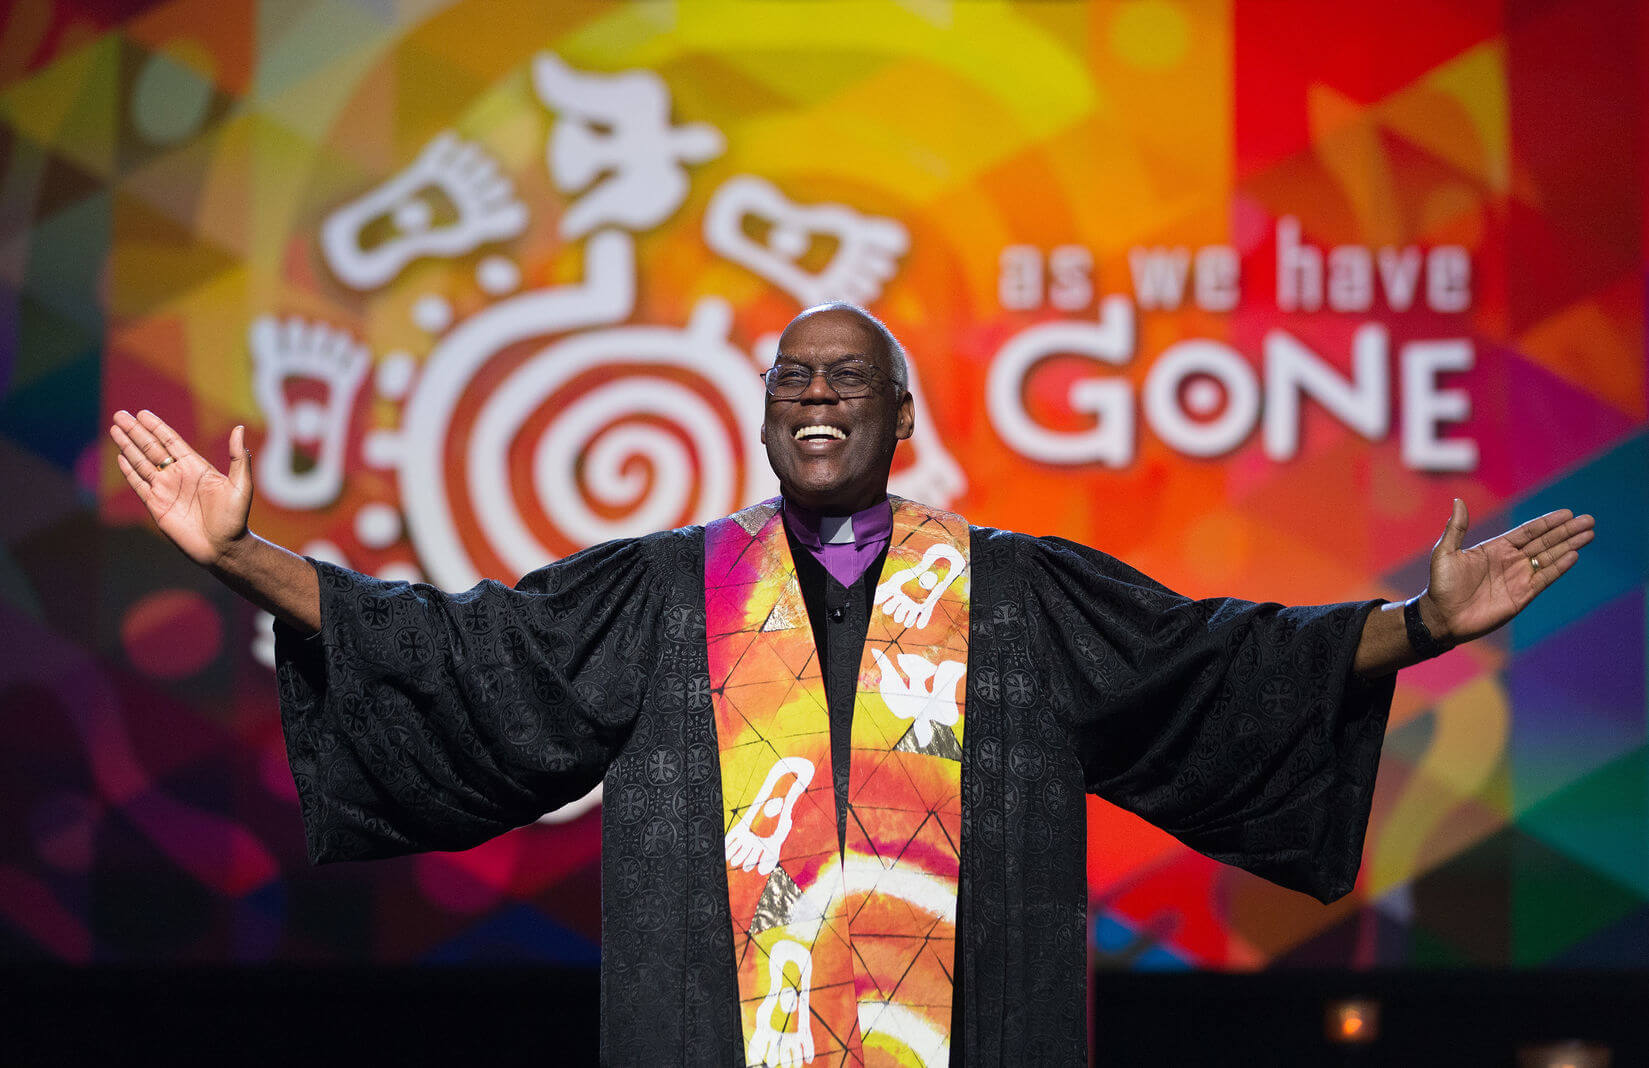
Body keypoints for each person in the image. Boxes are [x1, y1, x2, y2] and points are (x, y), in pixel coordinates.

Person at [109, 303, 1594, 1065]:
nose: (812, 399)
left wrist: (1416, 621)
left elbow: (1211, 665)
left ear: (900, 421)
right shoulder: (657, 590)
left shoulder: (1016, 592)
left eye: (843, 383)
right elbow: (452, 652)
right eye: (788, 383)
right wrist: (246, 557)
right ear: (762, 421)